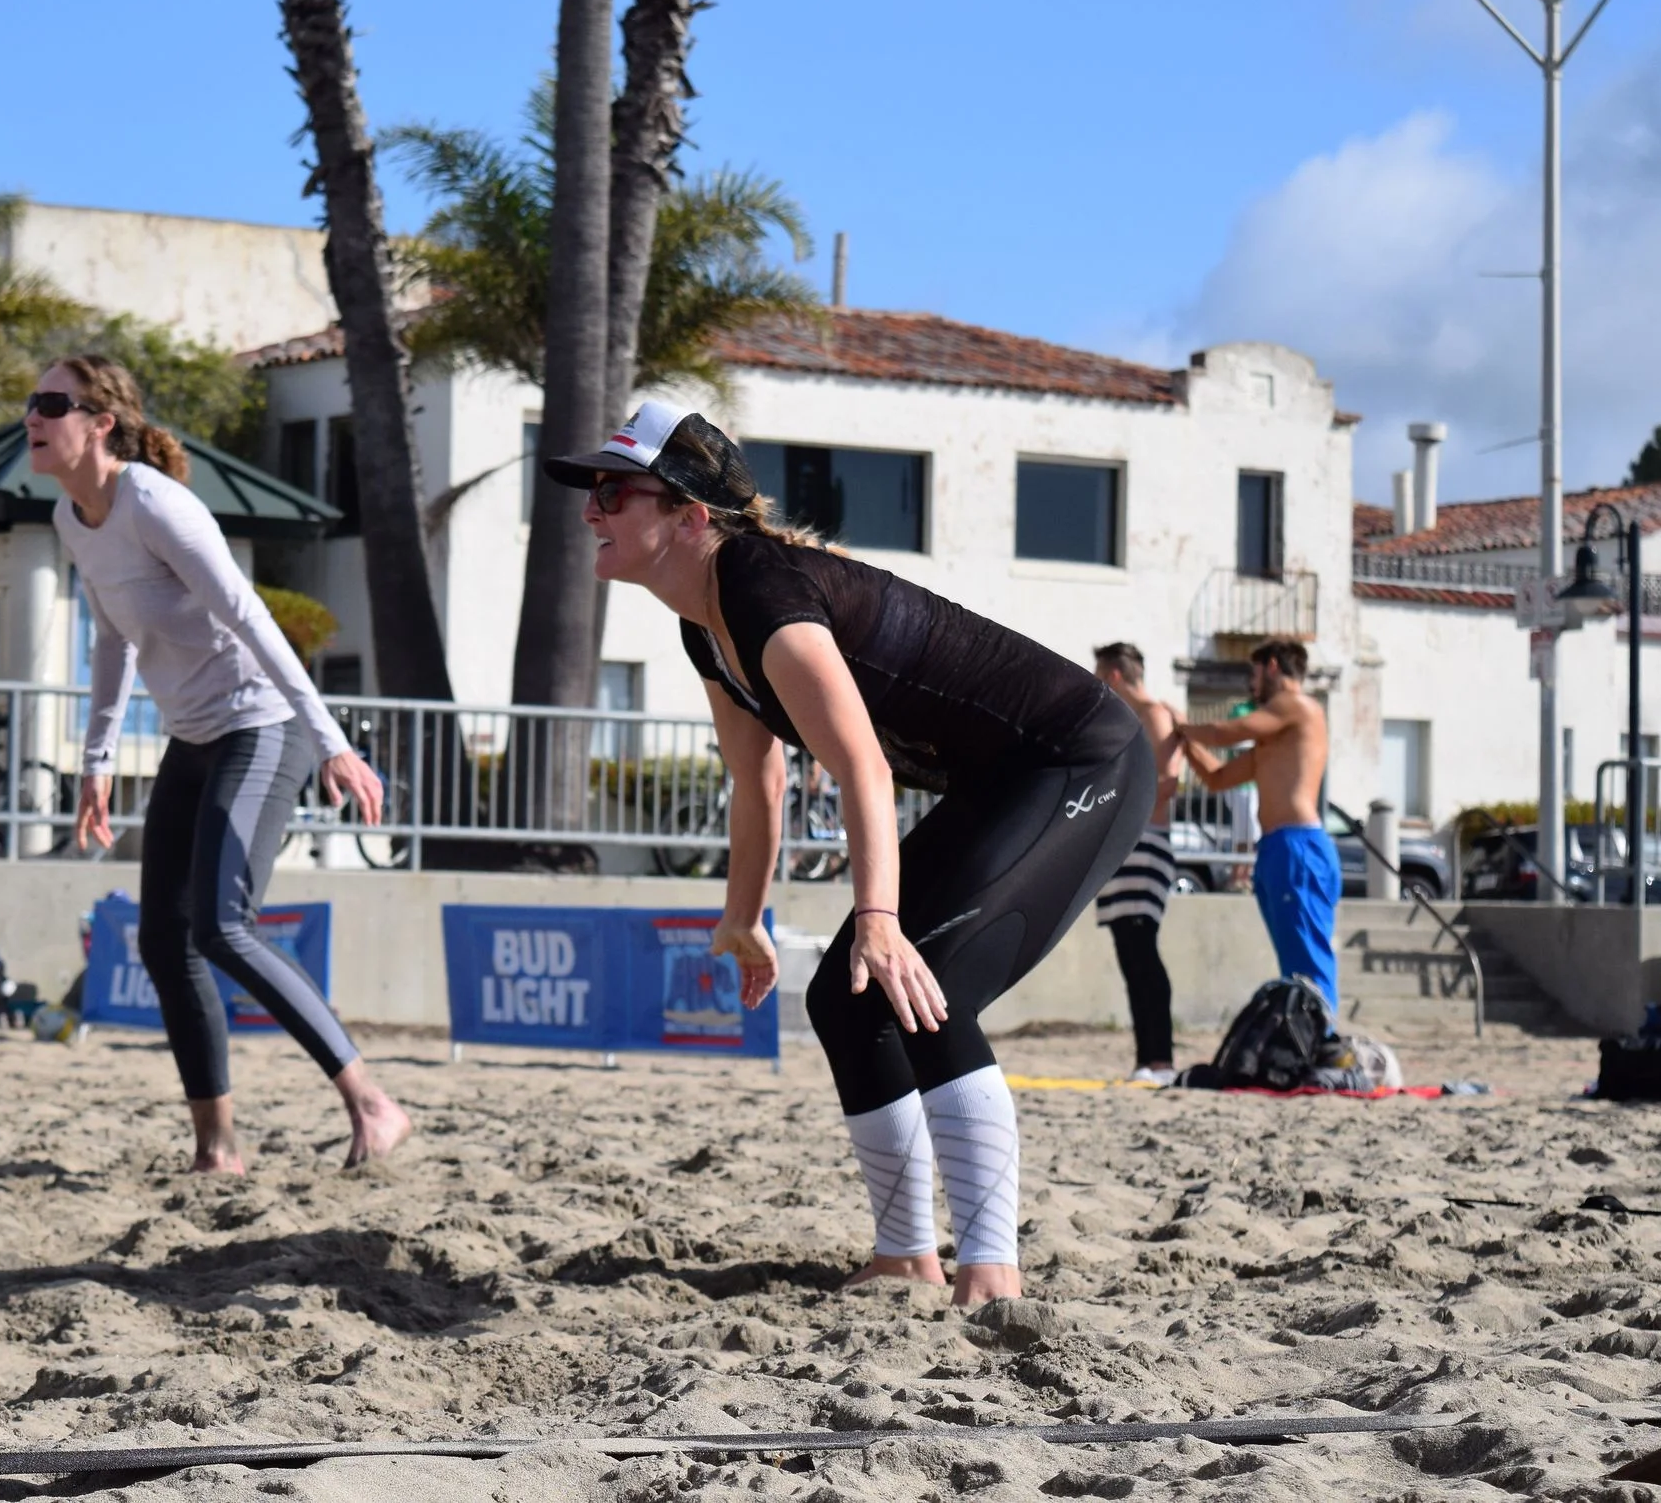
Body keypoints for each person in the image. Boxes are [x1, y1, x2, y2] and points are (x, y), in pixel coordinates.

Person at [548, 400, 1153, 1305]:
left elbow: (863, 767)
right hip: (999, 780)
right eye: (592, 491)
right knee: (848, 993)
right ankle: (907, 1254)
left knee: (920, 980)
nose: (591, 509)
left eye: (613, 490)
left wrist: (877, 918)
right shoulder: (705, 626)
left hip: (1083, 759)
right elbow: (759, 782)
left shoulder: (765, 593)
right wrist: (742, 916)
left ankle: (990, 1269)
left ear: (688, 517)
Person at [29, 354, 412, 1172]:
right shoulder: (71, 516)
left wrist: (333, 738)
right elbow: (113, 637)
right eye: (31, 401)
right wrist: (95, 762)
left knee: (222, 924)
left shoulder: (156, 504)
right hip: (194, 736)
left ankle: (373, 1104)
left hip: (264, 725)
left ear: (102, 421)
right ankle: (218, 1147)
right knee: (167, 942)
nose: (32, 414)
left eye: (52, 401)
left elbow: (248, 613)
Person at [1177, 639, 1338, 1011]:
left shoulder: (1296, 705)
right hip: (1275, 849)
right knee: (1292, 963)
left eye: (1254, 673)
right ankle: (1305, 1040)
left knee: (1308, 960)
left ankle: (1324, 1044)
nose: (1251, 684)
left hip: (1299, 847)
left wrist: (1181, 726)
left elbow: (1225, 733)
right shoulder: (1275, 741)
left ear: (1272, 667)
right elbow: (1217, 777)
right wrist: (1186, 743)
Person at [1091, 643, 1184, 1084]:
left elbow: (1168, 782)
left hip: (1146, 842)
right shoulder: (1132, 718)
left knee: (1141, 951)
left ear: (1113, 676)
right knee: (1132, 954)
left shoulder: (1153, 713)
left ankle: (1160, 1059)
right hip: (1129, 844)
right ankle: (1149, 1058)